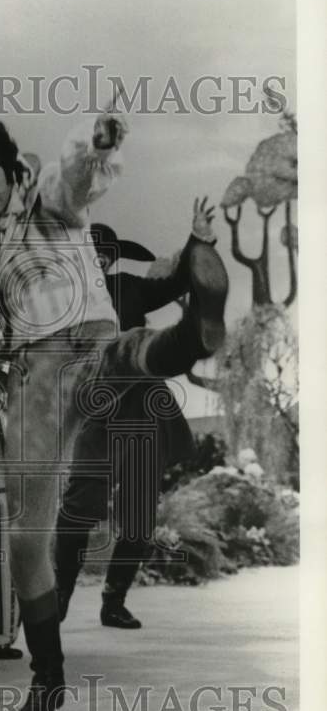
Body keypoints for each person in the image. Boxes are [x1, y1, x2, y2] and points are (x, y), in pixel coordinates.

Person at [0, 114, 229, 711]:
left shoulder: (48, 206)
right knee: (24, 537)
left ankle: (191, 336)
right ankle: (48, 678)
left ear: (10, 171)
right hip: (31, 377)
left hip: (87, 343)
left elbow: (75, 179)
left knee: (125, 356)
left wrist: (96, 144)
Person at [54, 211, 217, 630]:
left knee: (139, 518)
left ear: (112, 261)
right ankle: (58, 598)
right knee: (79, 508)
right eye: (91, 251)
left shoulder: (128, 287)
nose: (98, 259)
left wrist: (198, 240)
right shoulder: (59, 298)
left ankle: (114, 602)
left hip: (143, 410)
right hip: (94, 412)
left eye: (106, 254)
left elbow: (177, 282)